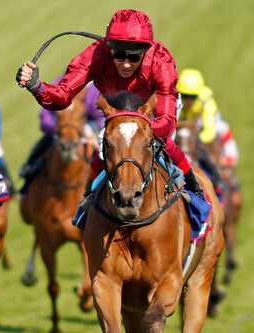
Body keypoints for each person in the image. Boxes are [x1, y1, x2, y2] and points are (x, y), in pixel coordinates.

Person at [15, 9, 207, 220]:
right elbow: (63, 96)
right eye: (119, 55)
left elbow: (167, 122)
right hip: (118, 109)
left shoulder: (161, 60)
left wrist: (139, 130)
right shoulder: (95, 54)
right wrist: (37, 87)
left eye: (134, 57)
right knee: (105, 147)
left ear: (145, 51)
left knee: (163, 142)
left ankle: (194, 190)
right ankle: (87, 199)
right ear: (109, 47)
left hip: (153, 110)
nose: (126, 63)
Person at [19, 78, 103, 198]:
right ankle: (29, 169)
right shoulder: (57, 83)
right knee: (44, 143)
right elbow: (45, 114)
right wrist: (56, 129)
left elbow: (99, 116)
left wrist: (92, 133)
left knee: (102, 153)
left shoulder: (96, 88)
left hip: (86, 127)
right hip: (60, 126)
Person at [176, 68, 237, 190]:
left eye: (192, 97)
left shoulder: (206, 101)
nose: (188, 100)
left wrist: (194, 140)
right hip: (186, 127)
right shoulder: (175, 98)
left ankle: (220, 178)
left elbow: (210, 132)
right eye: (185, 96)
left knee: (223, 129)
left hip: (204, 125)